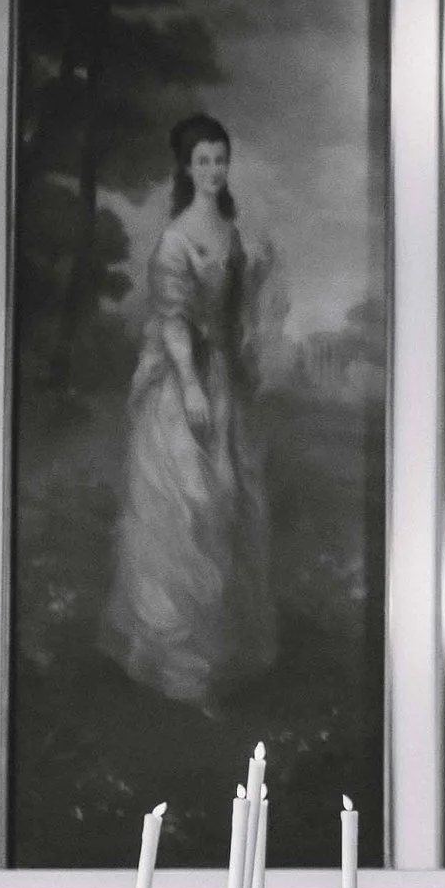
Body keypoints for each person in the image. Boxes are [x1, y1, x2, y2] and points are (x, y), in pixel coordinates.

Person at [99, 111, 275, 711]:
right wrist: (193, 387)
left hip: (222, 381)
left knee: (228, 509)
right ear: (186, 167)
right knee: (186, 512)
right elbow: (173, 320)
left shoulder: (229, 229)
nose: (214, 169)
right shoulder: (175, 239)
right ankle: (178, 661)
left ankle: (218, 657)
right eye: (203, 160)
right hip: (182, 390)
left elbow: (235, 311)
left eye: (221, 159)